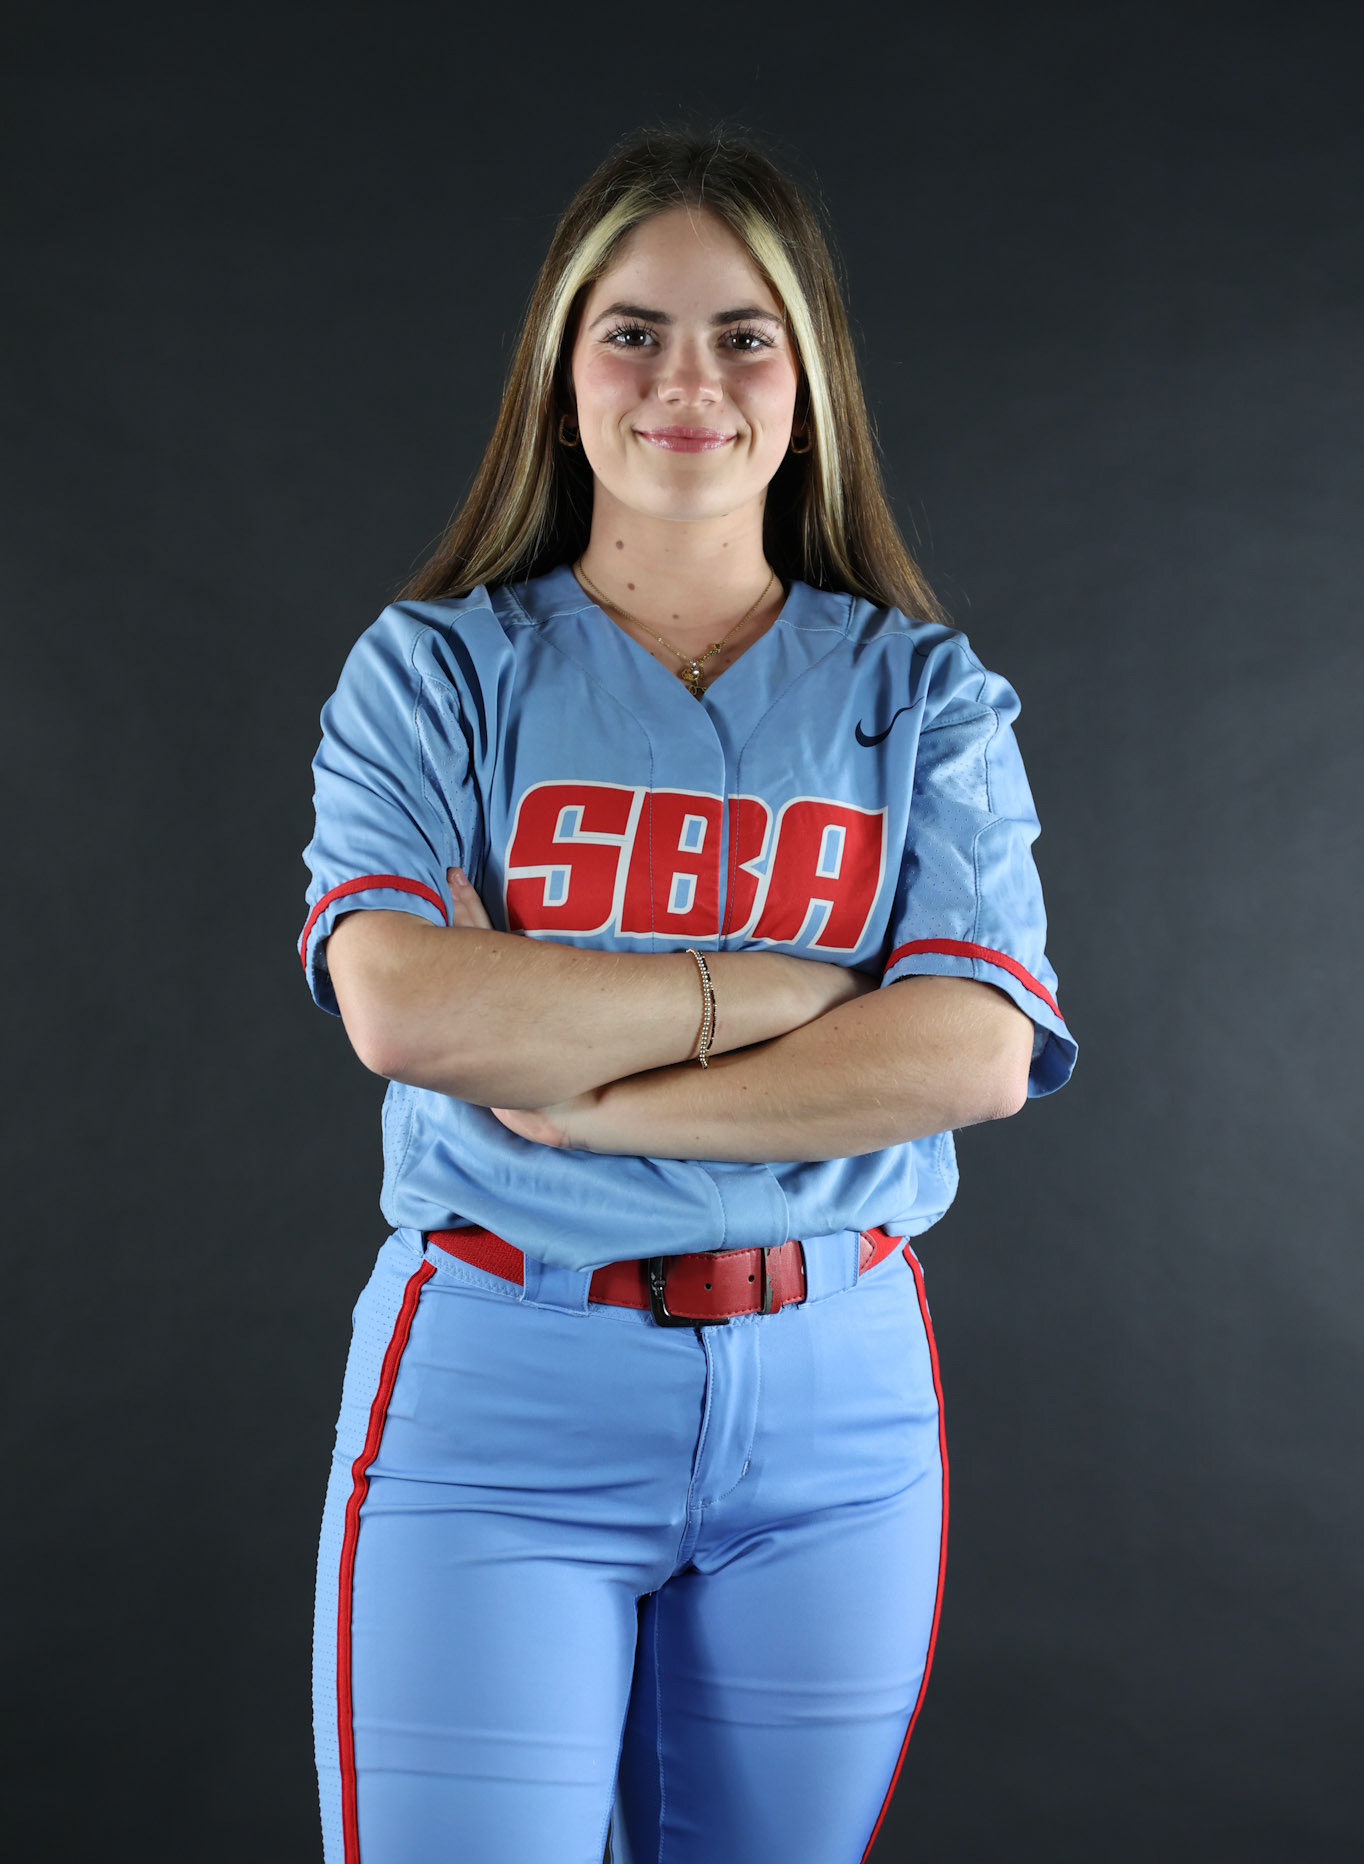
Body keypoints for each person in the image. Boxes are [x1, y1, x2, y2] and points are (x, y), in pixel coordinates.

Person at [298, 126, 1077, 1864]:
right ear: (560, 373)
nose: (687, 380)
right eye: (631, 330)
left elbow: (972, 1045)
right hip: (501, 1376)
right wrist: (786, 996)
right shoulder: (438, 672)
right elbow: (409, 1011)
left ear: (809, 381)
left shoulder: (923, 690)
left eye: (744, 332)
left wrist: (588, 1079)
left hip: (840, 1401)